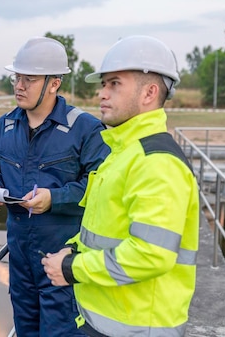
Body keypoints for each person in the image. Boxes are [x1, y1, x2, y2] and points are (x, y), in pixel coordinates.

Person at [41, 35, 200, 337]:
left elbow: (150, 254)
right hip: (109, 320)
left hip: (138, 328)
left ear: (149, 93)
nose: (102, 94)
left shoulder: (156, 163)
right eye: (103, 85)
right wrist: (73, 250)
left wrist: (72, 269)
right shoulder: (123, 153)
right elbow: (108, 230)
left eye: (114, 84)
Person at [0, 36, 110, 337]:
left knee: (61, 331)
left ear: (55, 83)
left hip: (62, 258)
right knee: (26, 329)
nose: (19, 85)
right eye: (16, 77)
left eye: (30, 78)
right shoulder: (3, 126)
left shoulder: (84, 128)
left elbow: (100, 188)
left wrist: (56, 198)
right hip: (20, 257)